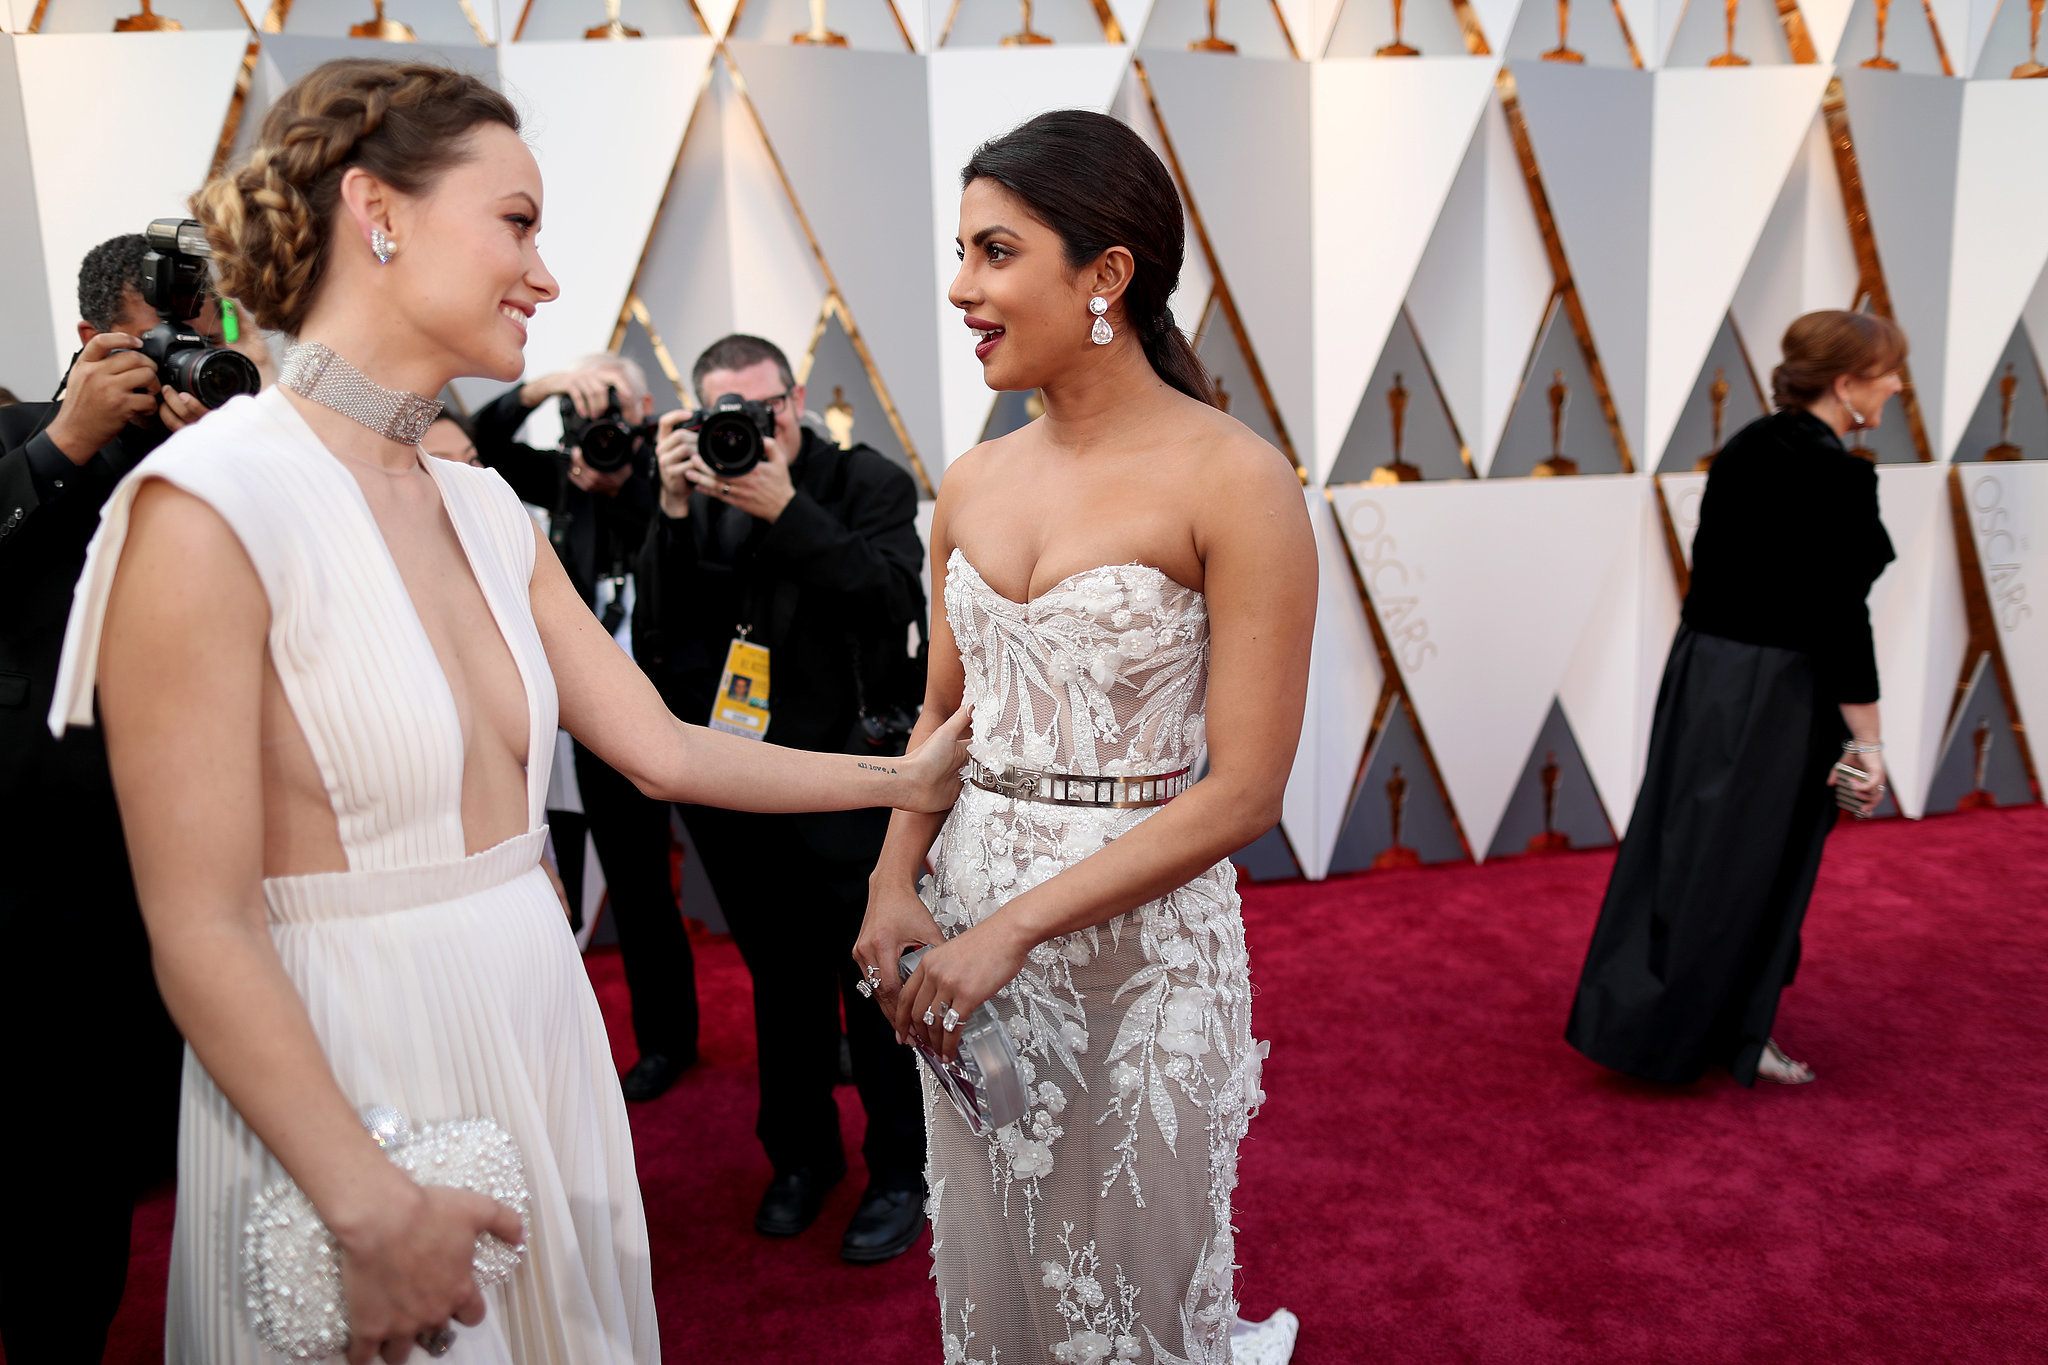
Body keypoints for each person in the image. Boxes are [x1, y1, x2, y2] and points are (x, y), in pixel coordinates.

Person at [49, 58, 968, 1363]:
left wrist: (902, 781)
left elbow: (655, 744)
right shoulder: (210, 506)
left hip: (537, 1027)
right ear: (381, 212)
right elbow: (196, 921)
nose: (545, 273)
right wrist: (366, 1203)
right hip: (349, 1072)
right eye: (519, 222)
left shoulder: (480, 501)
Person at [851, 110, 1313, 1364]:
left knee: (1128, 1305)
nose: (961, 288)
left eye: (994, 253)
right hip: (962, 950)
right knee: (995, 1284)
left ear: (1105, 273)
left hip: (1141, 956)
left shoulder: (1236, 479)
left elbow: (1243, 794)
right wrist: (898, 881)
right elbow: (941, 723)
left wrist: (1007, 931)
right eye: (960, 252)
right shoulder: (971, 480)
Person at [635, 332, 932, 1262]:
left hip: (854, 777)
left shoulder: (866, 482)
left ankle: (899, 1170)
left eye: (763, 412)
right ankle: (801, 1158)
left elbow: (891, 602)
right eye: (727, 414)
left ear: (795, 400)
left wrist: (788, 508)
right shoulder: (697, 492)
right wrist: (676, 508)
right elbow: (658, 637)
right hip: (742, 784)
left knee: (875, 985)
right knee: (782, 985)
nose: (747, 432)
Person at [1567, 309, 1901, 1088]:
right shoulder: (1835, 475)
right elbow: (1840, 617)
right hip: (1775, 695)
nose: (1896, 384)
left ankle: (1668, 1025)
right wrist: (1871, 744)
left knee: (1687, 850)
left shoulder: (1748, 446)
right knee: (1755, 866)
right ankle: (1717, 1034)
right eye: (1888, 371)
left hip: (1707, 674)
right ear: (1847, 384)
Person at [0, 232, 219, 1363]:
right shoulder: (17, 443)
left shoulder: (216, 459)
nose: (180, 364)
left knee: (83, 1204)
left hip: (147, 892)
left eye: (200, 342)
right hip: (12, 880)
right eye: (154, 346)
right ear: (88, 343)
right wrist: (65, 445)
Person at [472, 351, 702, 1101]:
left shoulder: (669, 474)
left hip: (695, 710)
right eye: (588, 416)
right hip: (606, 722)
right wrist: (541, 388)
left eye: (615, 415)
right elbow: (483, 438)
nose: (602, 433)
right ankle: (666, 1040)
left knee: (760, 881)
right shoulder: (561, 482)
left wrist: (631, 480)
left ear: (640, 414)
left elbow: (683, 539)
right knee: (638, 889)